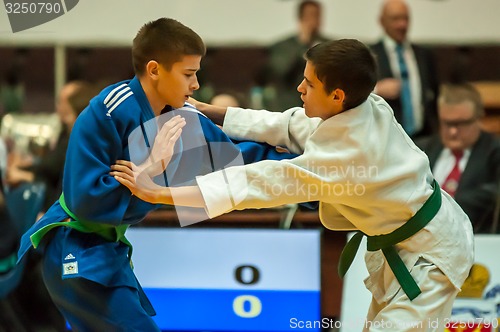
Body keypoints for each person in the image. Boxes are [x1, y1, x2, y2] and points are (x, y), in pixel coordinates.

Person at [112, 39, 474, 331]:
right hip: (407, 242)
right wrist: (208, 110)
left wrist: (156, 192)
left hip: (430, 256)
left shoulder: (345, 159)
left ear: (337, 95)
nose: (299, 88)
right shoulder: (366, 104)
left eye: (310, 83)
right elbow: (289, 124)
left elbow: (256, 184)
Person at [17, 18, 297, 331]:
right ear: (154, 70)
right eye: (188, 74)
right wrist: (151, 167)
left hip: (109, 250)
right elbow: (83, 201)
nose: (196, 85)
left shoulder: (181, 115)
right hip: (74, 244)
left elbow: (235, 160)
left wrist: (306, 174)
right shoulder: (107, 110)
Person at [416, 83, 500, 234]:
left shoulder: (495, 151)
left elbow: (494, 194)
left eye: (462, 123)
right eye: (447, 123)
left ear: (479, 118)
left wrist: (440, 207)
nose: (453, 131)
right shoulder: (420, 150)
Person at [6, 80, 96, 211]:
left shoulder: (84, 142)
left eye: (68, 112)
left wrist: (23, 173)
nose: (60, 109)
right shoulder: (68, 135)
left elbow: (52, 168)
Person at [370, 0, 438, 138]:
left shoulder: (423, 54)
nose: (402, 25)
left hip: (424, 136)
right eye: (395, 19)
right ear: (382, 21)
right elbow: (353, 94)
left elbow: (435, 92)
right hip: (386, 136)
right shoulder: (370, 55)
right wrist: (377, 89)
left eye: (405, 18)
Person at [263, 0, 329, 111]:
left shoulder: (329, 45)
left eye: (317, 16)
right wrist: (303, 44)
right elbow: (281, 72)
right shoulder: (282, 46)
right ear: (300, 18)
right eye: (309, 16)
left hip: (320, 104)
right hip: (288, 103)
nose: (314, 21)